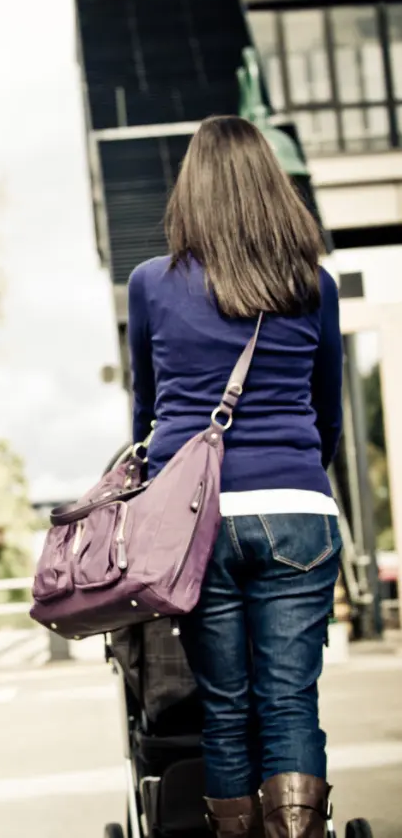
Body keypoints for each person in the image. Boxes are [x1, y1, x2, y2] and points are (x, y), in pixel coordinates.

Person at [127, 115, 343, 838]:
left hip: (199, 520)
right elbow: (327, 409)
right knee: (291, 701)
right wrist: (302, 477)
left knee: (226, 705)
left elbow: (146, 412)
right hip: (298, 507)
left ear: (191, 191)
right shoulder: (313, 284)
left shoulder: (152, 283)